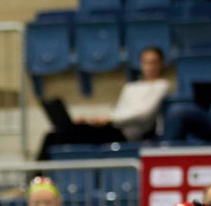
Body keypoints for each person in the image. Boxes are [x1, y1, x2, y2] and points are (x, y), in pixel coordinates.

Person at [38, 47, 171, 160]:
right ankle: (36, 177)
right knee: (53, 135)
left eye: (153, 62)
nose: (149, 66)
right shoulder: (131, 87)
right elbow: (119, 111)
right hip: (113, 127)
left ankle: (40, 177)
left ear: (160, 64)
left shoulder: (162, 85)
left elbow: (144, 114)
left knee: (67, 132)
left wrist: (110, 118)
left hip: (127, 135)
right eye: (146, 62)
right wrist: (94, 120)